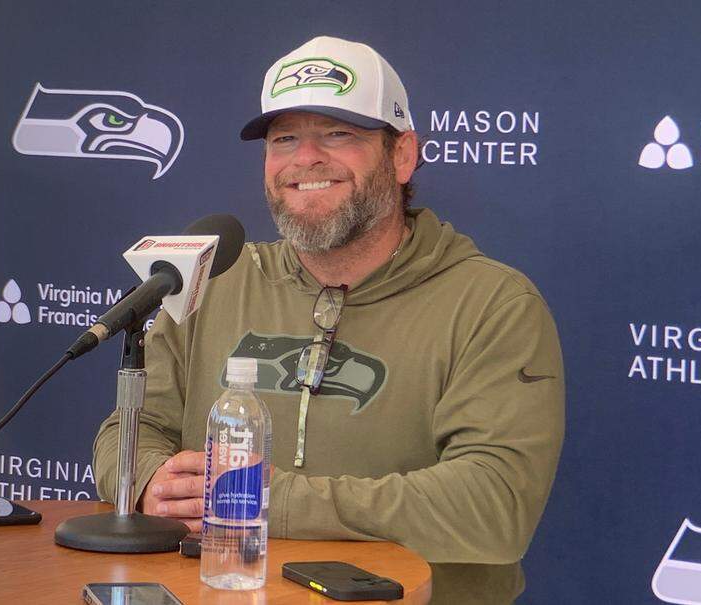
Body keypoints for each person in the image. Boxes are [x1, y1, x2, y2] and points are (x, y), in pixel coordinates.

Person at [93, 35, 564, 604]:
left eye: (339, 134)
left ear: (402, 154)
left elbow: (494, 506)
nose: (305, 159)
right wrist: (148, 480)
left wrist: (274, 499)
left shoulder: (492, 303)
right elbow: (131, 429)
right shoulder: (215, 280)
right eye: (284, 138)